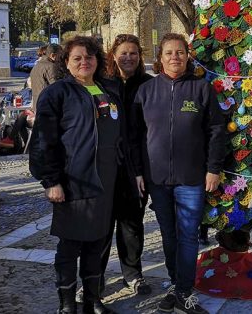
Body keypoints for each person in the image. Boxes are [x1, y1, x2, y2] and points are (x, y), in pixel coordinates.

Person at [132, 33, 226, 314]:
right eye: (169, 53)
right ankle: (176, 284)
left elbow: (216, 131)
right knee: (168, 235)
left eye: (180, 52)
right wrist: (138, 171)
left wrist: (213, 169)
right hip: (157, 178)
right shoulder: (146, 91)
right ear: (159, 58)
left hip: (192, 177)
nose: (175, 57)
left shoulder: (201, 89)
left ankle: (184, 291)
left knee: (187, 236)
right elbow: (135, 136)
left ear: (188, 56)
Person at [29, 36, 121, 314]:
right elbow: (43, 141)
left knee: (98, 244)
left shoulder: (108, 91)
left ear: (98, 60)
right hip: (72, 183)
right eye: (77, 58)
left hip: (104, 183)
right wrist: (51, 180)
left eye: (90, 56)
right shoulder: (57, 93)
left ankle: (93, 299)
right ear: (67, 62)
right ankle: (67, 303)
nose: (84, 62)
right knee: (70, 248)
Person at [98, 34, 153, 296]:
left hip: (136, 167)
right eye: (123, 53)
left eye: (133, 53)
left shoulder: (148, 85)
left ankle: (132, 274)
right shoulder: (102, 84)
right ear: (113, 55)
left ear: (140, 57)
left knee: (132, 226)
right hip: (107, 166)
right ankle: (94, 278)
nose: (128, 57)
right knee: (102, 226)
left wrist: (142, 169)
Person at [30, 43, 62, 108]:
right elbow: (57, 88)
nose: (61, 58)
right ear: (53, 55)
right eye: (60, 55)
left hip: (38, 105)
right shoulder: (51, 66)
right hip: (48, 107)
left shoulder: (37, 66)